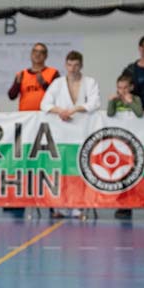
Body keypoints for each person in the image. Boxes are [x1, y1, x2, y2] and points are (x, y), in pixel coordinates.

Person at [40, 51, 101, 219]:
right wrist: (60, 111)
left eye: (76, 65)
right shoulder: (58, 83)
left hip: (82, 132)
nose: (72, 68)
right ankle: (59, 206)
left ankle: (78, 206)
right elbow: (44, 104)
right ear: (65, 65)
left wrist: (74, 109)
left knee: (79, 169)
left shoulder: (90, 82)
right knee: (60, 169)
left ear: (81, 65)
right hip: (61, 133)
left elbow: (95, 103)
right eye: (69, 65)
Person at [8, 43, 59, 111]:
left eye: (41, 52)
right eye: (35, 51)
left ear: (46, 56)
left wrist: (43, 83)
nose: (37, 54)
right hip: (25, 115)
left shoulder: (53, 73)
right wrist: (17, 84)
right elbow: (11, 96)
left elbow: (58, 96)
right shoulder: (22, 74)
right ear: (31, 54)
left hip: (45, 114)